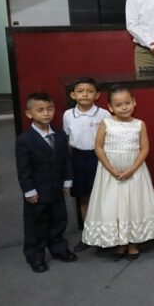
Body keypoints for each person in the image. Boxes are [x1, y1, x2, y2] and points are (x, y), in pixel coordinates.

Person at [82, 86, 154, 259]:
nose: (124, 107)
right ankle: (119, 242)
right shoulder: (106, 123)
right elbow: (98, 147)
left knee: (133, 204)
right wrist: (111, 169)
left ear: (134, 102)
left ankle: (133, 242)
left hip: (134, 173)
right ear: (110, 107)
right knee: (113, 205)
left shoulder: (139, 124)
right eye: (118, 105)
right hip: (110, 174)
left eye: (127, 103)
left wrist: (132, 169)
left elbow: (144, 148)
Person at [16, 92, 75, 273]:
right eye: (40, 110)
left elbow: (66, 159)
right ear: (29, 114)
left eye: (50, 109)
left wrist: (67, 180)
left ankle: (59, 248)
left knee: (59, 219)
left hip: (56, 188)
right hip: (37, 190)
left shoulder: (59, 134)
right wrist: (29, 190)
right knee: (37, 224)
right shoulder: (25, 140)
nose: (46, 113)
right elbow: (23, 169)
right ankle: (35, 256)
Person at [63, 78, 110, 253]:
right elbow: (68, 137)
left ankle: (106, 234)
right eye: (80, 91)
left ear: (97, 95)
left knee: (103, 196)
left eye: (90, 91)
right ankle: (89, 234)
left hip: (99, 156)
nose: (85, 94)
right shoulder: (68, 115)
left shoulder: (104, 114)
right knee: (84, 197)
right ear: (73, 95)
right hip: (78, 157)